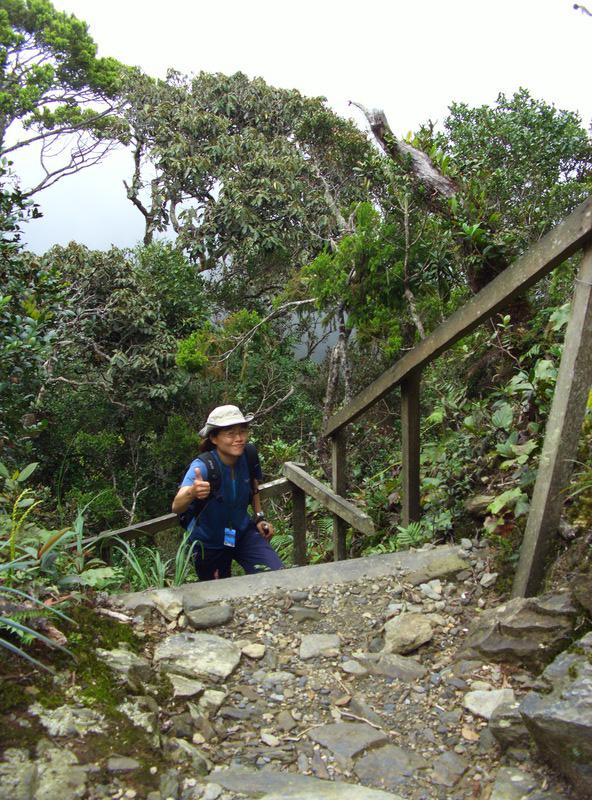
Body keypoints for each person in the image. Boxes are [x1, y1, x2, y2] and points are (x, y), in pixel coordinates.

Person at [172, 404, 284, 581]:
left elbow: (254, 487)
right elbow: (176, 506)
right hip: (209, 543)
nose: (239, 439)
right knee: (219, 591)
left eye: (242, 432)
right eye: (230, 434)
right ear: (214, 438)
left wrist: (259, 517)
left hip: (242, 533)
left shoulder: (248, 455)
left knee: (276, 574)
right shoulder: (203, 466)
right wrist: (192, 492)